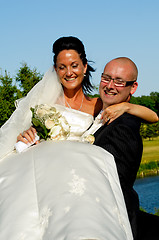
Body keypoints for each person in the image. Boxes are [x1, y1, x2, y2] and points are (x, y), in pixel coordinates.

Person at [0, 37, 158, 240]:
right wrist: (26, 136)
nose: (69, 72)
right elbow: (26, 135)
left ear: (84, 67)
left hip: (80, 184)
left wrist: (128, 106)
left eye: (74, 65)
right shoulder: (44, 104)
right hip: (48, 173)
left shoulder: (99, 105)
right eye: (62, 67)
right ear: (55, 70)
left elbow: (153, 117)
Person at [93, 57, 159, 240]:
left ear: (133, 87)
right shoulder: (96, 112)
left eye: (119, 81)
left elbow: (112, 184)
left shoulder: (123, 128)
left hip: (108, 224)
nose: (110, 85)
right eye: (106, 78)